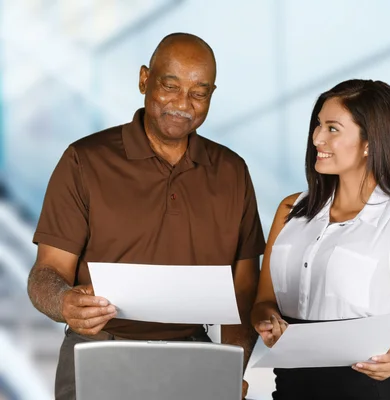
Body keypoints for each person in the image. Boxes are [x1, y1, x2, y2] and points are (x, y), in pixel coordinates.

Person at [27, 33, 264, 400]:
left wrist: (233, 364)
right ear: (143, 80)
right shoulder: (84, 161)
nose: (183, 104)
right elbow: (47, 272)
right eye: (170, 86)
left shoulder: (232, 172)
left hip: (195, 356)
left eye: (199, 93)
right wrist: (64, 302)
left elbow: (244, 287)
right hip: (98, 352)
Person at [251, 79, 390, 399]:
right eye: (317, 125)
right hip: (290, 389)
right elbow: (263, 302)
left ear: (369, 142)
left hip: (364, 390)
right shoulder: (289, 210)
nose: (316, 137)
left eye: (332, 128)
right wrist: (267, 321)